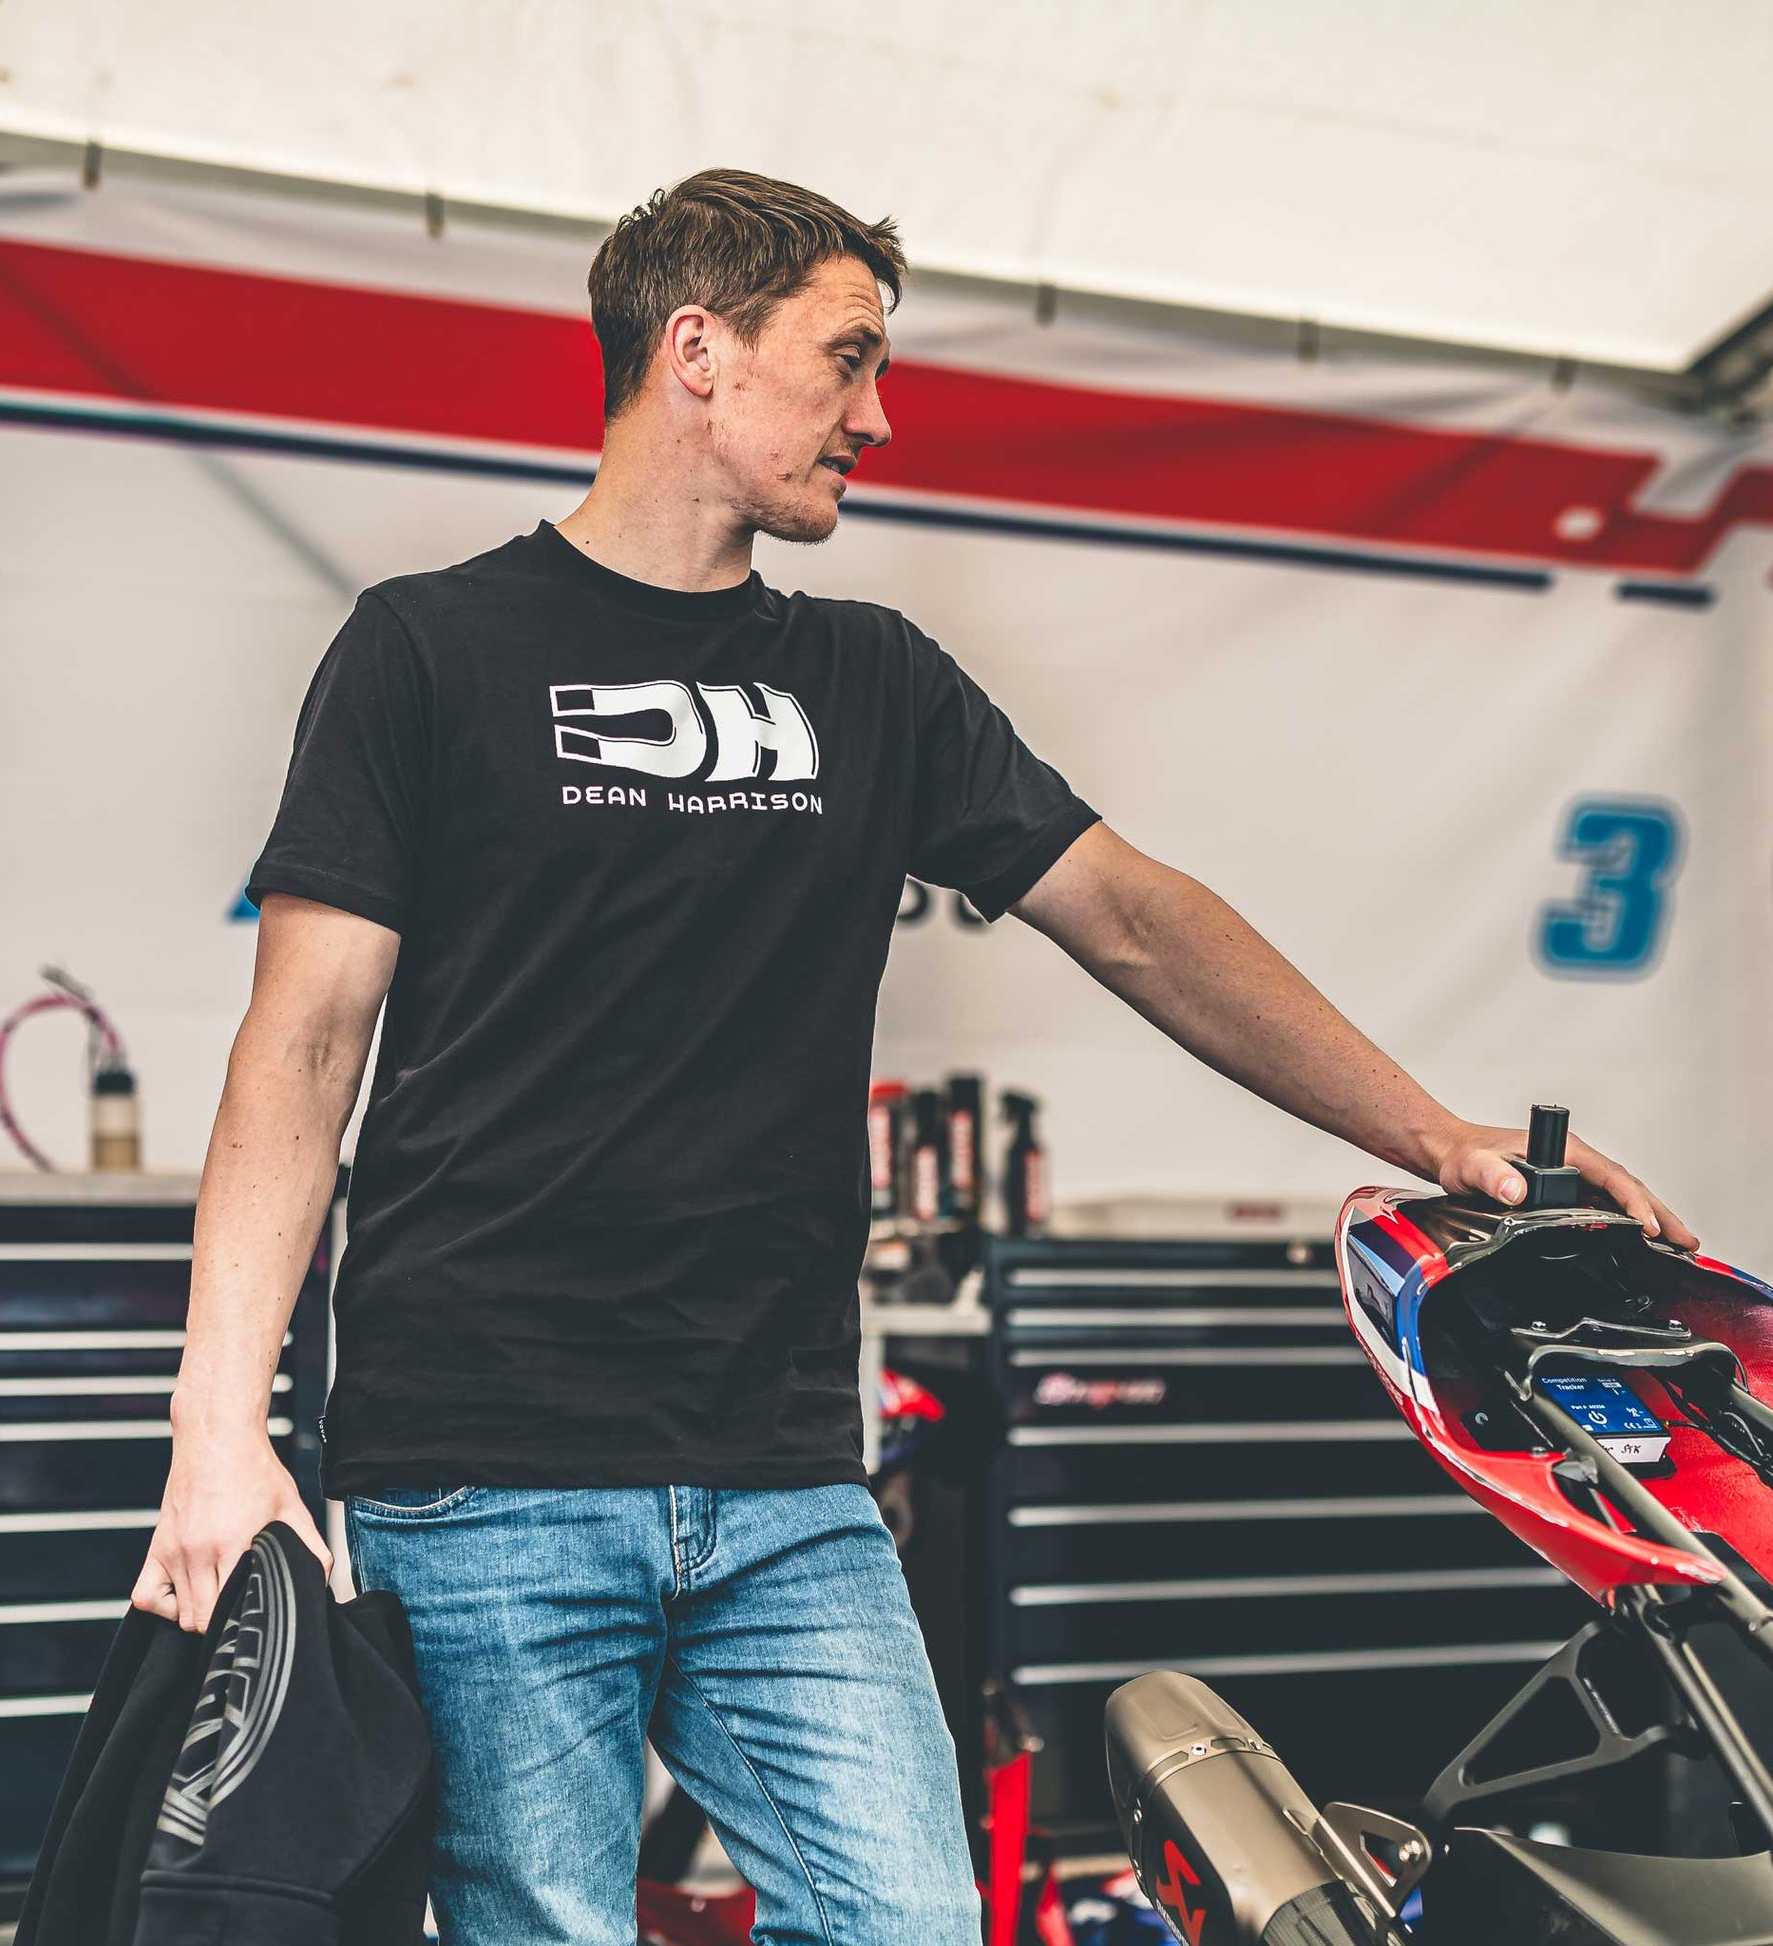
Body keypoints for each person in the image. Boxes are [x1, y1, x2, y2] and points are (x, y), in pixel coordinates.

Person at [133, 167, 1696, 1944]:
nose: (881, 417)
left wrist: (1432, 1134)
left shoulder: (875, 680)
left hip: (784, 1475)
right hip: (484, 1470)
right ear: (697, 351)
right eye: (848, 358)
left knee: (906, 1921)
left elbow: (1135, 915)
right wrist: (215, 1428)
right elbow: (302, 1040)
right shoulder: (427, 649)